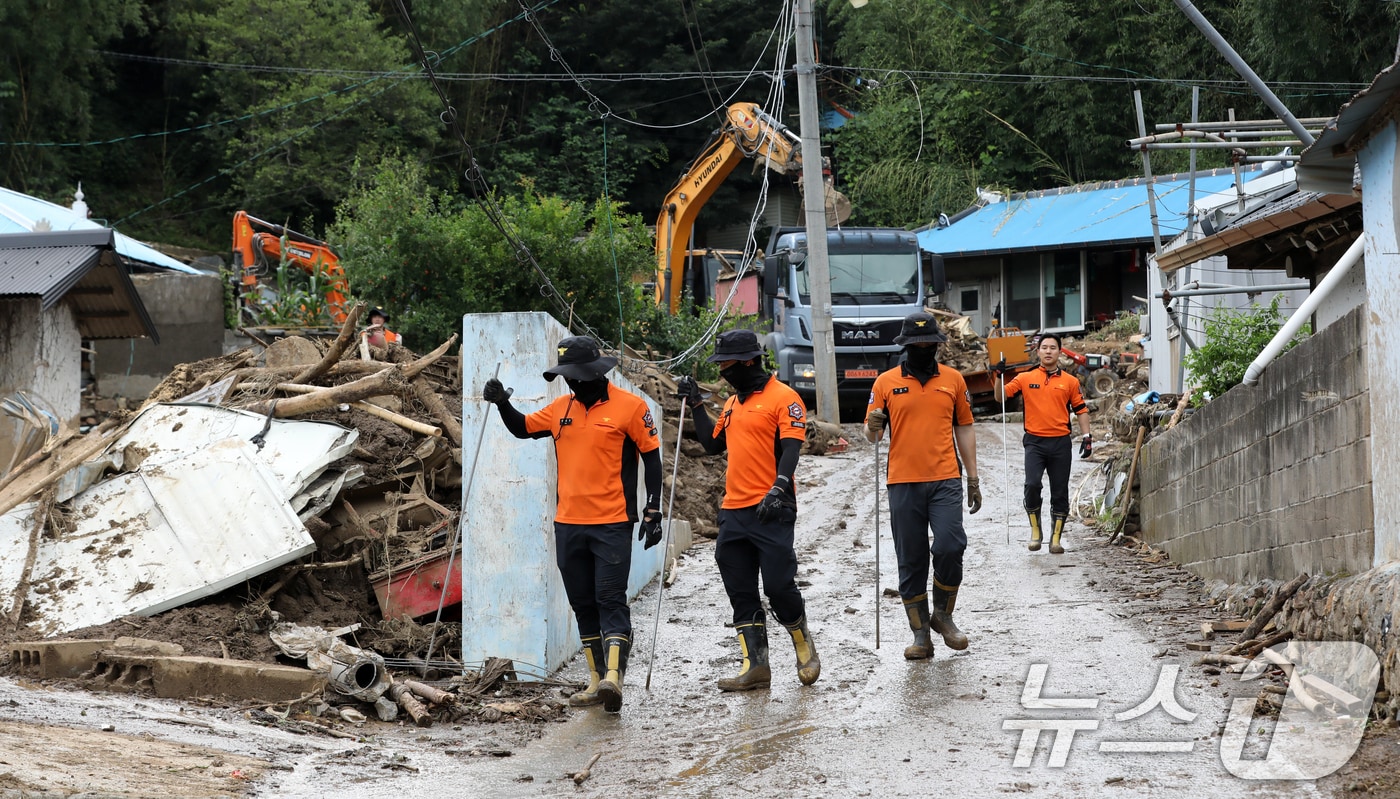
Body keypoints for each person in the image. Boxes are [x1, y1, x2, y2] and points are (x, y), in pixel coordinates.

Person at [481, 336, 663, 713]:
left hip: (612, 523)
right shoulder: (560, 409)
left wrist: (652, 510)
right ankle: (596, 680)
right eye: (568, 378)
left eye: (578, 377)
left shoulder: (631, 408)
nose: (573, 384)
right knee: (583, 604)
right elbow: (522, 428)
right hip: (568, 525)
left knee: (610, 600)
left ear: (598, 373)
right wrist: (502, 403)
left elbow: (653, 460)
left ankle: (614, 677)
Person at [678, 329, 819, 692]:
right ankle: (756, 666)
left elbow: (791, 449)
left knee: (777, 584)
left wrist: (779, 487)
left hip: (772, 506)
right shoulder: (731, 404)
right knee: (740, 589)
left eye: (726, 363)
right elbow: (712, 445)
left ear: (748, 361)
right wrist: (696, 405)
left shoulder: (784, 399)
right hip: (733, 511)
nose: (722, 371)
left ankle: (802, 641)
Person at [864, 312, 981, 660]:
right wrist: (872, 425)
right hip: (902, 482)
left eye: (928, 343)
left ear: (936, 344)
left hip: (945, 478)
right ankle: (920, 636)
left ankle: (942, 615)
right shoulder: (884, 383)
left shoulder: (953, 380)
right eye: (916, 344)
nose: (922, 349)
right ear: (905, 345)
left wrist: (972, 477)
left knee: (950, 545)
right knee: (911, 558)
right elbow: (871, 436)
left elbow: (965, 427)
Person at [993, 332, 1092, 554]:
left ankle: (1055, 539)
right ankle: (1036, 531)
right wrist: (998, 375)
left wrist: (1087, 438)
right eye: (1044, 347)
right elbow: (1001, 398)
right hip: (1035, 443)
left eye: (1053, 348)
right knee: (1032, 485)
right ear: (1037, 352)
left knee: (1059, 492)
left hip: (1060, 443)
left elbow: (1081, 410)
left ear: (1059, 352)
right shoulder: (1025, 378)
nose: (1048, 351)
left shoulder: (1070, 381)